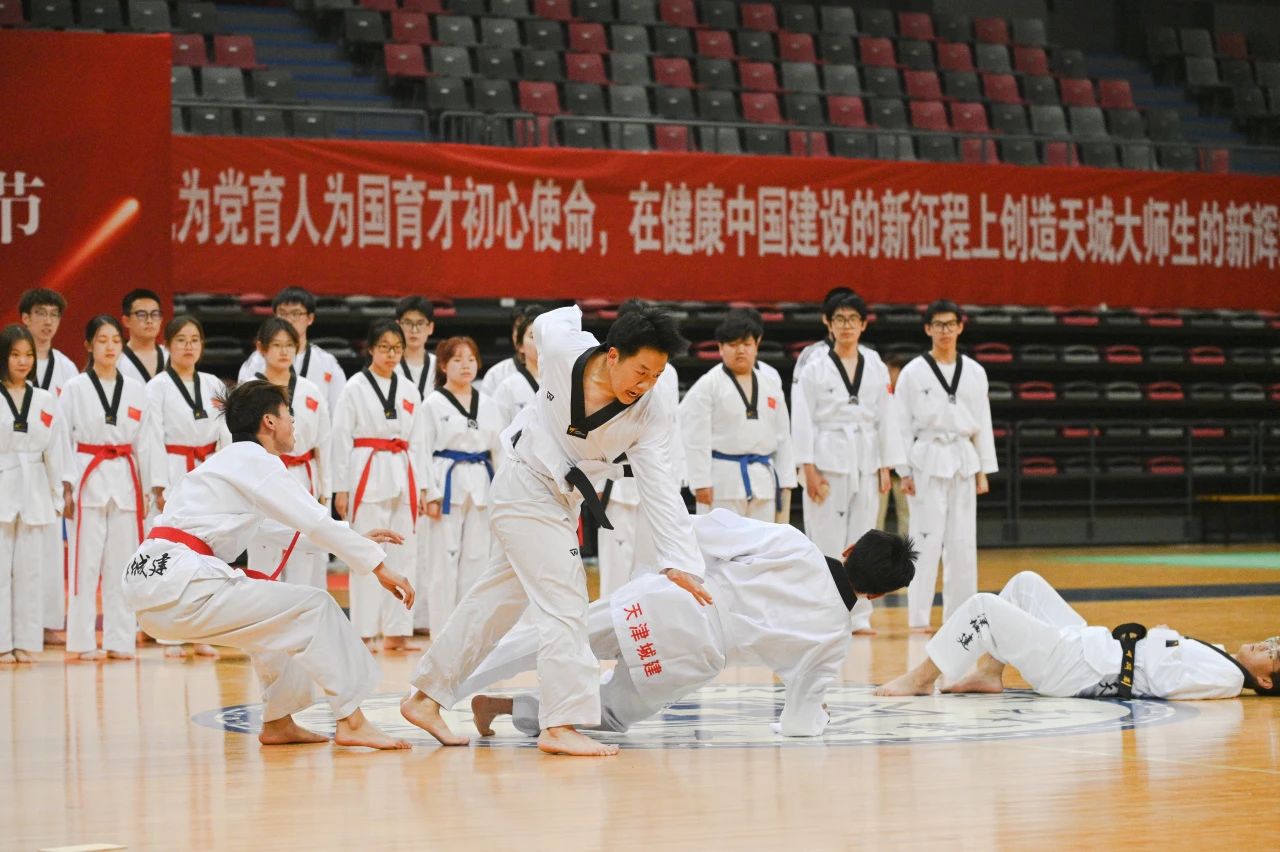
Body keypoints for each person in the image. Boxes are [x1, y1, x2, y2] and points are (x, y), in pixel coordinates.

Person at [401, 304, 708, 757]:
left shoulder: (651, 410)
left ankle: (425, 697)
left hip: (562, 499)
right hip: (524, 481)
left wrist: (679, 561)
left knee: (494, 604)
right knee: (566, 601)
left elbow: (659, 483)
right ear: (612, 355)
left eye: (657, 375)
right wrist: (573, 313)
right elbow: (552, 320)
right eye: (641, 371)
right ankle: (561, 722)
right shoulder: (566, 349)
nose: (646, 384)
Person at [122, 380, 416, 749]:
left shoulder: (223, 465)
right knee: (315, 607)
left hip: (153, 585)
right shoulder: (255, 461)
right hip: (183, 583)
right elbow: (313, 520)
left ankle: (279, 722)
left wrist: (355, 540)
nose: (293, 423)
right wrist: (379, 567)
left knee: (277, 616)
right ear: (270, 421)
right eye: (289, 414)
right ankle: (352, 722)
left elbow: (277, 530)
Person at [464, 510, 917, 739]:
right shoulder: (834, 639)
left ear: (849, 549)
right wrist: (816, 716)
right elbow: (799, 721)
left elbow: (699, 530)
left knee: (553, 636)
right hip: (694, 658)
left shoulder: (793, 544)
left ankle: (445, 684)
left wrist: (658, 571)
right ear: (877, 596)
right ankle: (505, 707)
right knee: (609, 714)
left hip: (670, 602)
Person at [875, 571, 1280, 700]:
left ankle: (921, 678)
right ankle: (989, 673)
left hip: (1081, 669)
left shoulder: (1226, 676)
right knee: (1026, 585)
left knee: (984, 607)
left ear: (1264, 681)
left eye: (1273, 654)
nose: (1266, 644)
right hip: (1091, 647)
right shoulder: (1223, 660)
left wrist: (1157, 641)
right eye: (1273, 640)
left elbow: (1161, 683)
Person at [792, 292, 902, 635]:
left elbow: (886, 416)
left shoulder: (875, 364)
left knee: (864, 538)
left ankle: (860, 615)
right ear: (828, 323)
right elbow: (802, 419)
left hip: (866, 459)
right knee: (826, 538)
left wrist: (886, 465)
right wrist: (807, 468)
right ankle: (825, 611)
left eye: (853, 319)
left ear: (863, 324)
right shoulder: (813, 366)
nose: (846, 326)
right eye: (839, 319)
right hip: (827, 460)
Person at [55, 316, 161, 661]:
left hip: (126, 480)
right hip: (87, 478)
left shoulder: (135, 389)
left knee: (123, 566)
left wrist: (151, 485)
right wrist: (65, 486)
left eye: (115, 340)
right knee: (84, 566)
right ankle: (82, 641)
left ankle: (120, 640)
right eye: (102, 340)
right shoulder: (74, 388)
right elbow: (61, 439)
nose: (110, 346)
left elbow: (147, 441)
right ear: (89, 345)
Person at [332, 320, 437, 653]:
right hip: (367, 471)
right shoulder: (355, 387)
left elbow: (419, 442)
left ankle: (397, 632)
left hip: (403, 473)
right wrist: (340, 488)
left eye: (396, 348)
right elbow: (340, 439)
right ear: (371, 349)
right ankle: (364, 632)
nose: (391, 354)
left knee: (405, 553)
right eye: (384, 348)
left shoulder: (408, 389)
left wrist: (423, 486)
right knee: (366, 553)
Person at [893, 300, 997, 633]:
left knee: (963, 544)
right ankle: (919, 617)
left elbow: (983, 423)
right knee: (924, 542)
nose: (945, 331)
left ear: (960, 327)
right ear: (928, 329)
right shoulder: (913, 372)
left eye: (950, 324)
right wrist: (904, 471)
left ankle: (961, 616)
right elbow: (900, 424)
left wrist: (983, 470)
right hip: (926, 459)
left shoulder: (975, 372)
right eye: (938, 325)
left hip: (963, 460)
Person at [146, 316, 231, 659]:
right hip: (173, 470)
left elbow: (225, 432)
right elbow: (151, 436)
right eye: (181, 340)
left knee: (206, 555)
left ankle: (201, 631)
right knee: (170, 554)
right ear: (167, 345)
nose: (188, 346)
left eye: (195, 339)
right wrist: (158, 484)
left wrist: (225, 475)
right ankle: (170, 636)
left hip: (207, 471)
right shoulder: (156, 387)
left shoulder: (213, 384)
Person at [594, 298, 687, 599]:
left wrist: (676, 479)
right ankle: (608, 627)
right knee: (616, 571)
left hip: (654, 481)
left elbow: (672, 427)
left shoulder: (667, 374)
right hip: (616, 482)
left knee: (650, 571)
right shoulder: (608, 371)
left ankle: (644, 628)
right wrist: (595, 483)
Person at [422, 336, 506, 637]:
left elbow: (500, 451)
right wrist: (429, 492)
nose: (465, 365)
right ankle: (442, 633)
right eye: (457, 360)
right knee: (443, 560)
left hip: (481, 483)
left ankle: (468, 632)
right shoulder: (432, 404)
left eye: (470, 359)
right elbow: (420, 450)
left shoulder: (489, 404)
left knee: (477, 560)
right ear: (444, 366)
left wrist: (503, 492)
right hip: (446, 484)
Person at [680, 311, 795, 522]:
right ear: (720, 348)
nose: (740, 350)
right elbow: (695, 437)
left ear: (756, 345)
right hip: (722, 482)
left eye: (746, 344)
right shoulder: (708, 385)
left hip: (763, 481)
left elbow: (783, 437)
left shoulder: (771, 384)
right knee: (719, 541)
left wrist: (786, 481)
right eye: (732, 344)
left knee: (762, 541)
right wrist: (700, 482)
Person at [245, 319, 333, 592]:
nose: (284, 351)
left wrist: (325, 490)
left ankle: (301, 616)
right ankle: (264, 616)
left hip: (302, 476)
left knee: (304, 553)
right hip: (262, 479)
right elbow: (235, 442)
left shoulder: (310, 390)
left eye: (289, 345)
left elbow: (324, 442)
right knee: (263, 555)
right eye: (277, 345)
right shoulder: (249, 391)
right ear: (261, 348)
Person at [19, 288, 79, 646]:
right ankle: (15, 623)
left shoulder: (66, 368)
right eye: (40, 313)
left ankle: (48, 622)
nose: (47, 322)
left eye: (54, 315)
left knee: (51, 550)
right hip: (16, 463)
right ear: (25, 318)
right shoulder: (10, 361)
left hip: (51, 467)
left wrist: (67, 479)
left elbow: (68, 428)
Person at [0, 325, 60, 664]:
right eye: (15, 355)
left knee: (29, 571)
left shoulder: (45, 400)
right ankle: (1, 643)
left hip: (34, 487)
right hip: (3, 482)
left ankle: (25, 641)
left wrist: (57, 492)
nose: (23, 361)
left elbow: (55, 450)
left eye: (28, 355)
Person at [237, 287, 347, 412]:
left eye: (296, 314)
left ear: (310, 318)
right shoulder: (257, 360)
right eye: (282, 313)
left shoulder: (327, 363)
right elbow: (243, 408)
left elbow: (339, 411)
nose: (288, 320)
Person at [875, 354, 912, 535]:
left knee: (906, 514)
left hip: (903, 467)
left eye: (893, 370)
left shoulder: (908, 398)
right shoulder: (878, 396)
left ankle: (906, 551)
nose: (890, 374)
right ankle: (874, 551)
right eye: (888, 370)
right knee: (876, 515)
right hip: (881, 468)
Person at [491, 305, 544, 425]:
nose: (539, 341)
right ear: (520, 346)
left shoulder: (565, 379)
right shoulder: (507, 386)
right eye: (533, 336)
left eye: (544, 336)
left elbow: (575, 428)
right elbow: (496, 430)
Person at [477, 304, 538, 393]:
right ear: (513, 335)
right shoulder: (496, 374)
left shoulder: (556, 370)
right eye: (519, 329)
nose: (520, 334)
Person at [117, 289, 168, 385]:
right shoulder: (115, 359)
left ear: (161, 320)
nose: (149, 320)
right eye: (141, 315)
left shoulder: (171, 356)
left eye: (155, 314)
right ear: (126, 321)